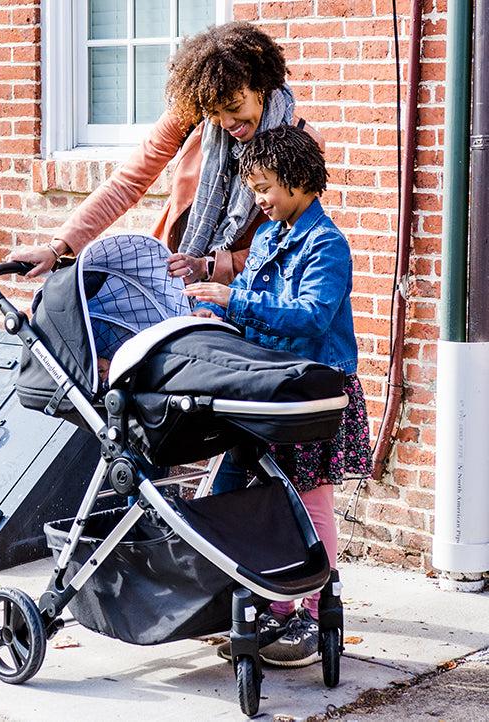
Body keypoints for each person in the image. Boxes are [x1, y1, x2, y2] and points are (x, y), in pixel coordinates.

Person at [184, 125, 373, 668]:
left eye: (264, 187)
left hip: (312, 391)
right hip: (268, 387)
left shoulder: (326, 244)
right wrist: (213, 314)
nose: (258, 201)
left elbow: (311, 317)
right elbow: (254, 304)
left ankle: (313, 614)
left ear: (298, 179)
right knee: (255, 494)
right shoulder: (268, 237)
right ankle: (275, 605)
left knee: (308, 499)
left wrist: (234, 301)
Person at [6, 21, 322, 285]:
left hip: (243, 291)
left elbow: (291, 246)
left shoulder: (301, 143)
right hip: (169, 270)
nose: (226, 123)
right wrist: (58, 247)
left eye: (235, 108)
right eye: (214, 112)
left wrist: (211, 267)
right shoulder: (189, 115)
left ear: (260, 88)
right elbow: (125, 185)